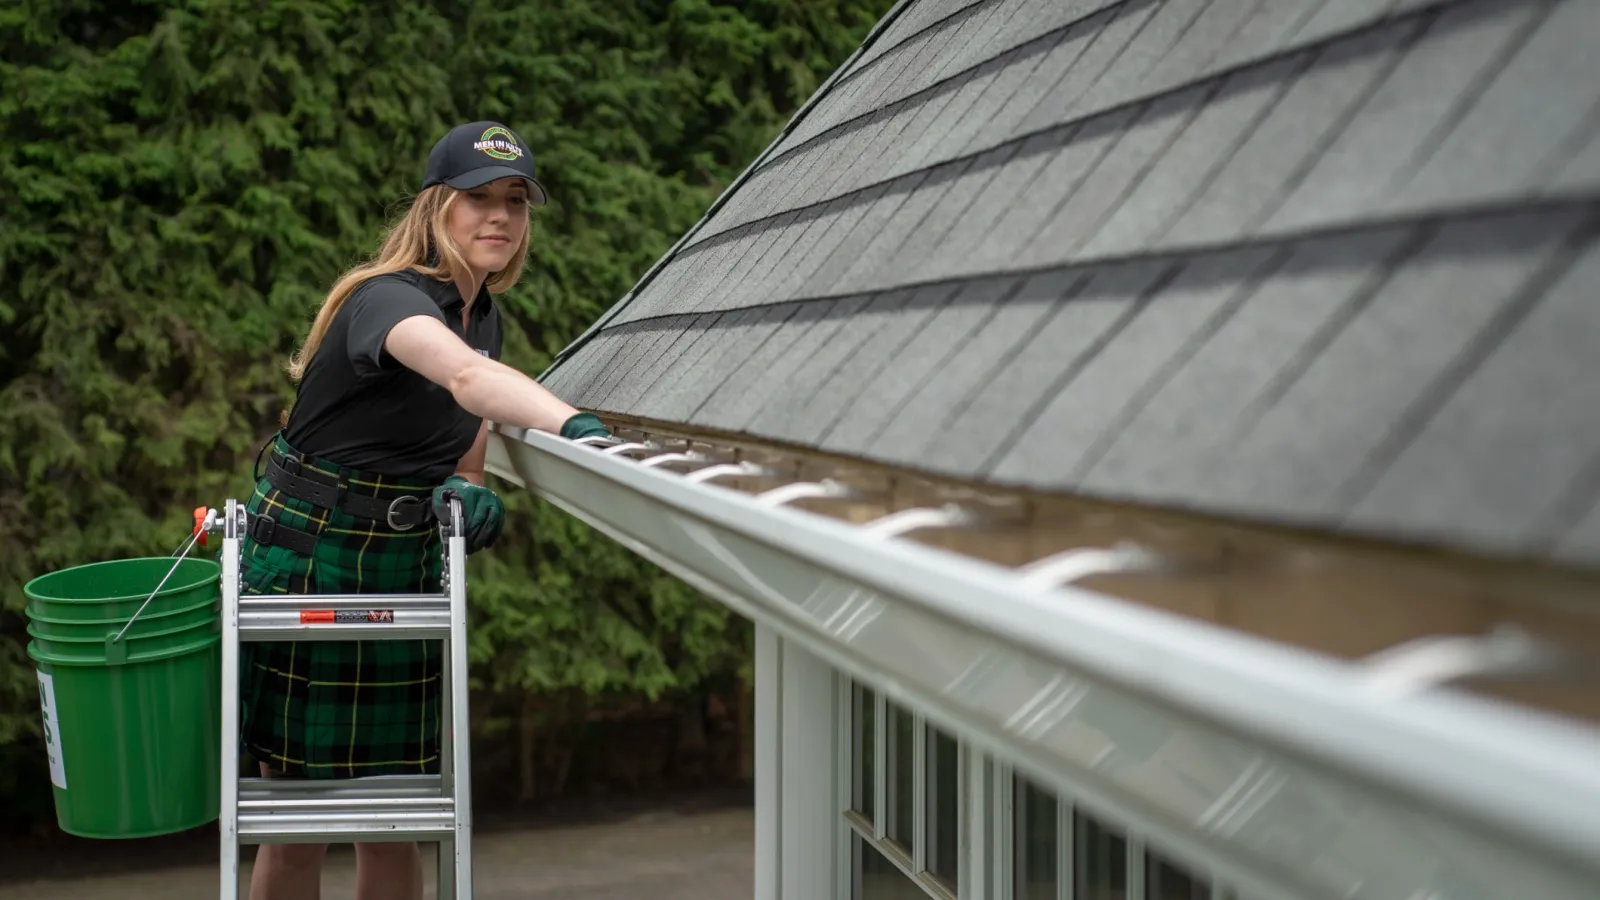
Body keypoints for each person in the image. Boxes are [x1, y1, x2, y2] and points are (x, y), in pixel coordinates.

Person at [238, 120, 611, 900]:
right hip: (311, 554)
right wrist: (576, 424)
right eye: (478, 198)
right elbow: (469, 384)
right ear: (437, 207)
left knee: (396, 813)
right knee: (300, 818)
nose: (500, 217)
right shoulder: (388, 300)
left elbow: (462, 428)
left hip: (400, 562)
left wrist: (470, 483)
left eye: (516, 200)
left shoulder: (483, 318)